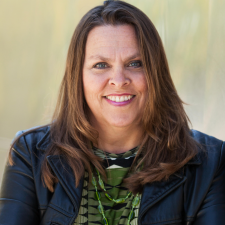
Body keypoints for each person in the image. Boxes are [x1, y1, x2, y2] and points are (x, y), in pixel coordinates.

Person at [0, 0, 225, 224]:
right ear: (78, 77)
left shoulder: (211, 162)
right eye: (101, 65)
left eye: (135, 63)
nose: (119, 81)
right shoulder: (29, 155)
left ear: (156, 74)